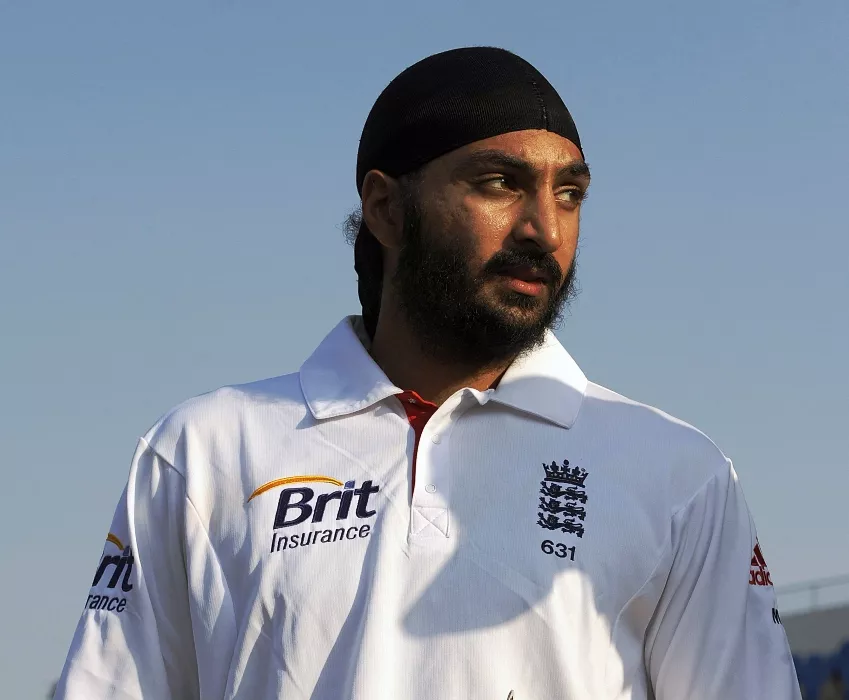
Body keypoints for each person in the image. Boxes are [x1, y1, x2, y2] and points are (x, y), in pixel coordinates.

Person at [54, 47, 802, 699]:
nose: (544, 229)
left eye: (569, 193)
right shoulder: (203, 453)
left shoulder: (679, 475)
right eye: (500, 183)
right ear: (385, 208)